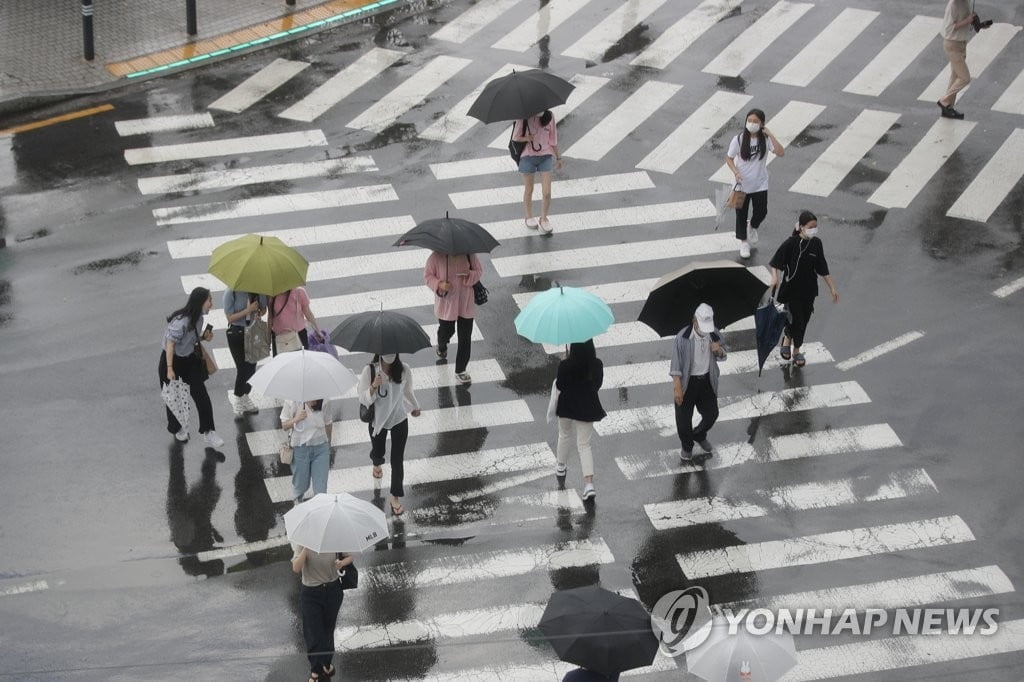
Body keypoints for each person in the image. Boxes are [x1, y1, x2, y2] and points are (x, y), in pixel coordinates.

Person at [769, 211, 839, 368]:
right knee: (797, 320)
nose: (813, 229)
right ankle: (797, 351)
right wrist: (774, 277)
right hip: (791, 291)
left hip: (808, 291)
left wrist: (832, 288)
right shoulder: (791, 243)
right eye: (810, 227)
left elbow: (823, 268)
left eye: (815, 227)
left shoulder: (816, 244)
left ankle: (787, 337)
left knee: (804, 320)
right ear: (801, 227)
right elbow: (775, 262)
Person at [159, 286, 224, 447]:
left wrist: (202, 337)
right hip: (171, 360)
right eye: (210, 300)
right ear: (201, 302)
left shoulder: (199, 318)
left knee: (201, 395)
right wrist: (169, 368)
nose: (212, 304)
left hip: (189, 360)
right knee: (174, 397)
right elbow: (170, 344)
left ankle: (209, 431)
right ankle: (177, 428)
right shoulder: (182, 321)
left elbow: (189, 340)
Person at [358, 354, 421, 515]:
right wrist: (373, 386)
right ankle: (376, 463)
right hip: (378, 422)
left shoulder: (404, 369)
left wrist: (415, 406)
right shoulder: (370, 371)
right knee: (378, 452)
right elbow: (363, 399)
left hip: (399, 419)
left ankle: (395, 497)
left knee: (397, 460)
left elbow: (407, 391)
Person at [670, 303, 727, 463]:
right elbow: (675, 363)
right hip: (688, 382)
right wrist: (677, 387)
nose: (705, 330)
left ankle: (699, 434)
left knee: (712, 414)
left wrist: (719, 350)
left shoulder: (714, 333)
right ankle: (687, 446)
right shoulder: (682, 337)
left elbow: (723, 354)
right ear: (694, 321)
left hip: (706, 381)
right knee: (683, 419)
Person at [724, 108, 784, 259]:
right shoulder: (738, 139)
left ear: (762, 124)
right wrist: (735, 172)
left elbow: (780, 152)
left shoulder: (765, 139)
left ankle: (753, 226)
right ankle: (744, 242)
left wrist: (770, 134)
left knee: (762, 211)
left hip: (760, 184)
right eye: (749, 120)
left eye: (755, 121)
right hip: (741, 185)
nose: (751, 123)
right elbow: (729, 158)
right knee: (741, 215)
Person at [554, 340, 606, 500]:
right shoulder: (596, 364)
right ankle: (589, 485)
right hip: (587, 406)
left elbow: (560, 385)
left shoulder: (565, 364)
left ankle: (561, 466)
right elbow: (597, 384)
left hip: (567, 405)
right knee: (584, 444)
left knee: (564, 435)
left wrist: (565, 361)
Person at [291, 545, 352, 682]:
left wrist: (341, 563)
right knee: (313, 633)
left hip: (333, 590)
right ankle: (315, 671)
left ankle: (326, 663)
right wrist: (306, 550)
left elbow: (350, 557)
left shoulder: (335, 538)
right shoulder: (303, 541)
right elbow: (296, 568)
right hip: (311, 593)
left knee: (327, 630)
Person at [424, 252, 483, 384]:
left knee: (465, 337)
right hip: (446, 305)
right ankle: (442, 345)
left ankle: (461, 369)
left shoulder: (469, 254)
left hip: (465, 303)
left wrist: (469, 275)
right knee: (447, 331)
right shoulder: (436, 257)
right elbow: (428, 276)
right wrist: (439, 284)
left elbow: (479, 271)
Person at [512, 109, 563, 233]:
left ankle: (543, 218)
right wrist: (526, 138)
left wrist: (558, 157)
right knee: (529, 189)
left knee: (547, 193)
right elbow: (515, 137)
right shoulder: (523, 117)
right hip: (527, 157)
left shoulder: (550, 116)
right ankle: (529, 217)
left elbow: (553, 140)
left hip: (545, 156)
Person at [222, 288, 266, 415]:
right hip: (237, 332)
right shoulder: (231, 292)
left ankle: (246, 395)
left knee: (252, 366)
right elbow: (230, 318)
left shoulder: (258, 290)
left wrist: (259, 312)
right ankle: (238, 397)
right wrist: (248, 310)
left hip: (253, 331)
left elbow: (263, 309)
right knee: (242, 368)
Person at [938, 0, 985, 119]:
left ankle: (948, 107)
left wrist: (978, 24)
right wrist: (967, 20)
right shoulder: (953, 5)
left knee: (955, 76)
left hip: (962, 43)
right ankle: (944, 100)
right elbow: (948, 28)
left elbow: (967, 25)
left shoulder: (966, 2)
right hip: (952, 44)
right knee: (964, 78)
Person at [281, 399, 334, 504]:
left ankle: (320, 512)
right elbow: (284, 425)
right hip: (300, 449)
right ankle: (298, 506)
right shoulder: (292, 401)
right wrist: (296, 419)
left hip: (321, 448)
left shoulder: (324, 400)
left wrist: (329, 444)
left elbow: (328, 423)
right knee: (300, 485)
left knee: (321, 488)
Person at [268, 286, 319, 355]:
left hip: (299, 336)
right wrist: (268, 338)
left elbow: (308, 313)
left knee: (301, 364)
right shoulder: (272, 295)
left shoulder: (299, 292)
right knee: (282, 364)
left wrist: (318, 331)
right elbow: (270, 317)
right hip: (279, 338)